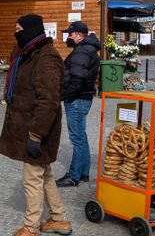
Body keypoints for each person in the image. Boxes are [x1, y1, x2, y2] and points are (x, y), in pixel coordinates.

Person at [0, 14, 72, 236]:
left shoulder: (46, 58)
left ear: (31, 30)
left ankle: (31, 226)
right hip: (27, 126)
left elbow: (48, 102)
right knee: (45, 173)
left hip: (38, 130)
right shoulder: (27, 54)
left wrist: (36, 135)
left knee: (32, 178)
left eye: (19, 28)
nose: (15, 32)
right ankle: (58, 219)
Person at [56, 21, 100, 187]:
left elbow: (78, 78)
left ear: (79, 36)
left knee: (77, 138)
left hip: (77, 100)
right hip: (82, 98)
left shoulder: (82, 51)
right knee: (81, 136)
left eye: (70, 34)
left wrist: (67, 96)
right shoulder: (87, 49)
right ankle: (83, 173)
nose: (68, 37)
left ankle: (74, 176)